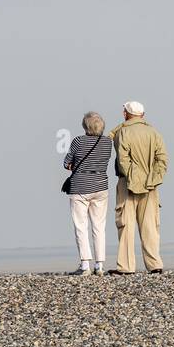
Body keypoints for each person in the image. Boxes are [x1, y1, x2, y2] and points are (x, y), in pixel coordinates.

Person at [109, 101, 169, 274]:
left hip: (127, 183)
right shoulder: (154, 132)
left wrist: (133, 179)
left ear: (125, 114)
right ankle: (155, 264)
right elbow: (162, 160)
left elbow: (122, 159)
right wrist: (152, 179)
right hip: (150, 185)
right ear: (142, 115)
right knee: (150, 225)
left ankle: (126, 267)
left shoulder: (122, 131)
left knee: (125, 225)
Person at [62, 111, 113, 276]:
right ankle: (99, 265)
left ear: (85, 126)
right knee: (99, 227)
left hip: (80, 187)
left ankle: (85, 265)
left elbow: (66, 162)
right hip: (100, 186)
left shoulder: (78, 141)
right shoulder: (107, 143)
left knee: (81, 226)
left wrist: (76, 165)